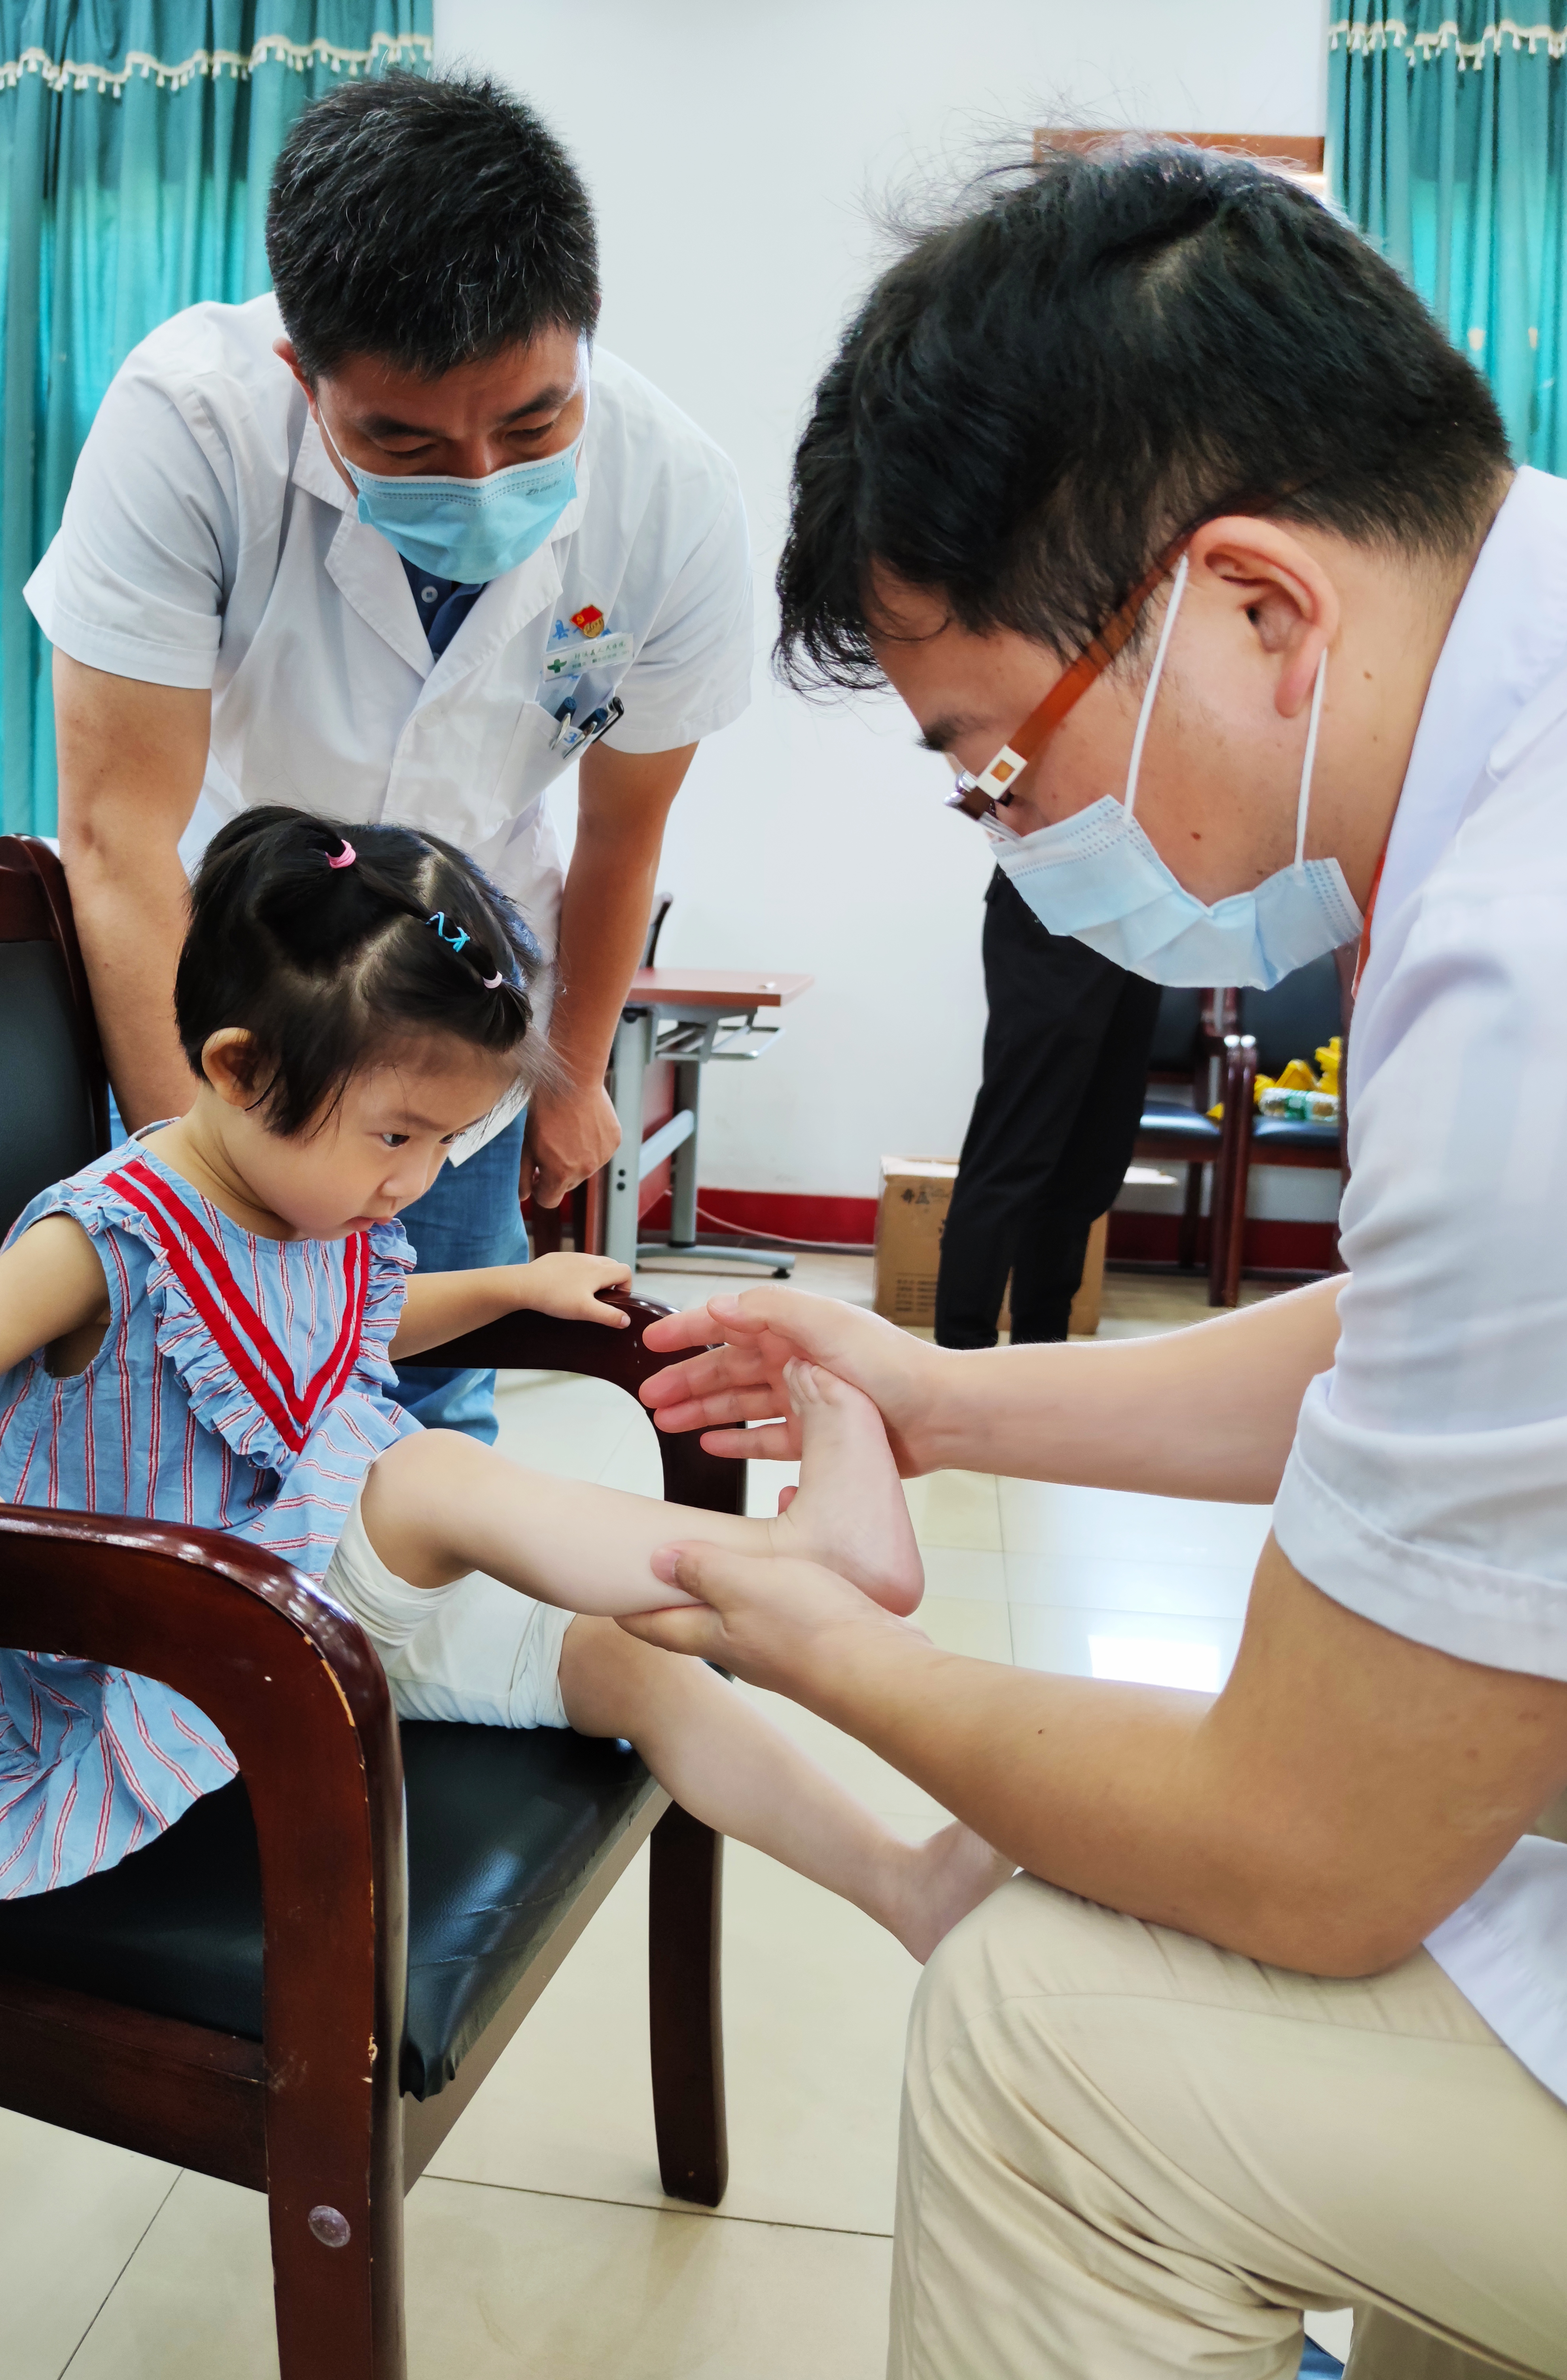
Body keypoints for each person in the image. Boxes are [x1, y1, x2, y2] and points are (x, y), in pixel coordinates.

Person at [634, 146, 1567, 2380]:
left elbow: (1297, 1836)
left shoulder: (1521, 969)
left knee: (1052, 2042)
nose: (1023, 841)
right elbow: (1438, 1350)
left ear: (1254, 610)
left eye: (998, 768)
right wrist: (930, 1390)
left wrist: (798, 1646)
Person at [0, 808, 993, 1960]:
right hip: (155, 1648)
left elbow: (328, 1333)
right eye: (398, 1134)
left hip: (297, 1596)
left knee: (635, 1664)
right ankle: (798, 1560)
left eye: (444, 1143)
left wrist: (503, 1292)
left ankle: (904, 1883)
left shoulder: (307, 1192)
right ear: (241, 1069)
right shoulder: (110, 1231)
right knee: (423, 1470)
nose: (415, 1180)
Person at [25, 72, 753, 1442]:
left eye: (533, 426)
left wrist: (574, 1071)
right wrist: (206, 1174)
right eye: (405, 441)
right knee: (184, 1410)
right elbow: (118, 837)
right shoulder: (190, 420)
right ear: (306, 379)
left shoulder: (673, 500)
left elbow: (619, 833)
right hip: (206, 983)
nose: (480, 478)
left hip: (455, 1006)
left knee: (419, 1424)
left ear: (582, 338)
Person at [935, 868, 1158, 1349]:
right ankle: (961, 1356)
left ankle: (1041, 1353)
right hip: (1057, 901)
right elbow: (980, 795)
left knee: (1092, 1156)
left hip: (1142, 910)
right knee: (1017, 1146)